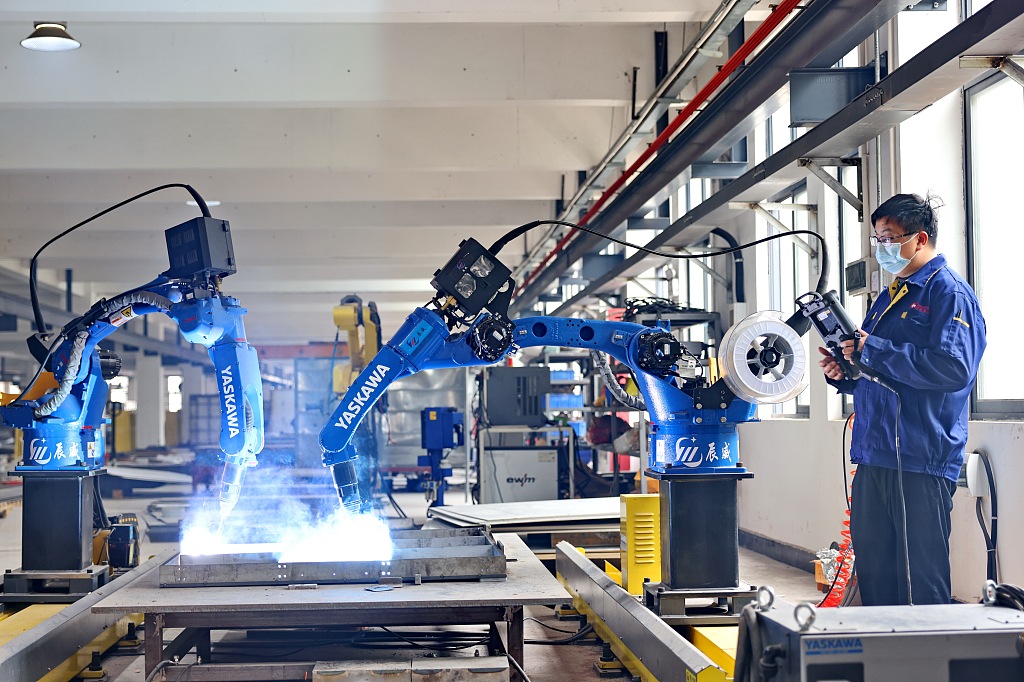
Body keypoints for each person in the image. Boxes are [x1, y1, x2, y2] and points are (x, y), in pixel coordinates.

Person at [819, 193, 986, 606]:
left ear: (920, 238)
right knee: (876, 573)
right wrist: (847, 374)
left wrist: (871, 350)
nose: (882, 248)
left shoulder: (949, 295)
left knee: (920, 580)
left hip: (919, 457)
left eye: (889, 238)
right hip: (876, 455)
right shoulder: (891, 295)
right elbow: (885, 375)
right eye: (877, 239)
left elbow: (953, 369)